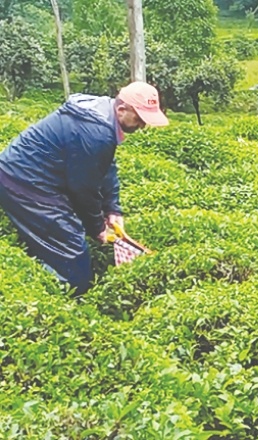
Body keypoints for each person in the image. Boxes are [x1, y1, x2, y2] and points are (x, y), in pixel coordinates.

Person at [0, 81, 169, 295]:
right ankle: (35, 294)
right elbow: (82, 189)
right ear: (122, 109)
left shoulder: (103, 116)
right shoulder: (96, 132)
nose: (142, 126)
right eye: (139, 119)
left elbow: (106, 167)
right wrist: (97, 227)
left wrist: (113, 209)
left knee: (66, 241)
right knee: (74, 263)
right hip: (25, 183)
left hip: (31, 178)